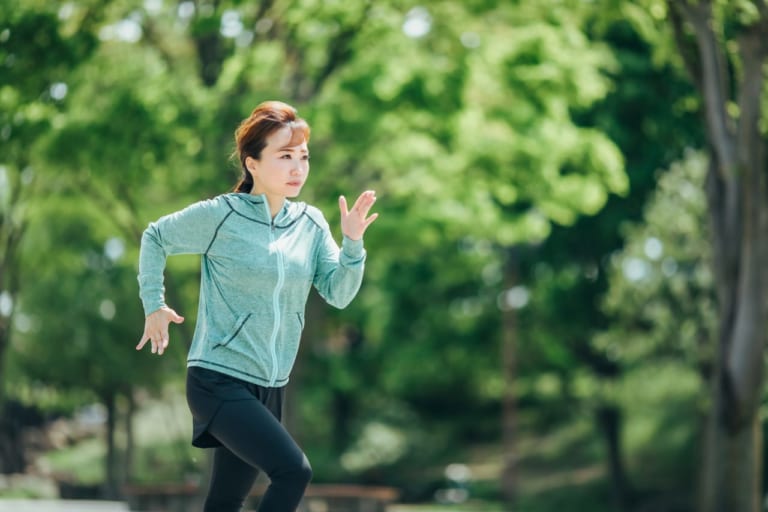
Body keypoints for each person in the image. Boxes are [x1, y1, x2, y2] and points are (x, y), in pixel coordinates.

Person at [135, 100, 378, 512]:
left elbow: (339, 292)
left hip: (270, 386)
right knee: (293, 471)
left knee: (226, 499)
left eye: (303, 157)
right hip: (217, 379)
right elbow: (156, 236)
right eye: (285, 156)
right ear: (253, 163)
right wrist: (153, 304)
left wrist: (352, 243)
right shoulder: (222, 216)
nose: (297, 167)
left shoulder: (311, 224)